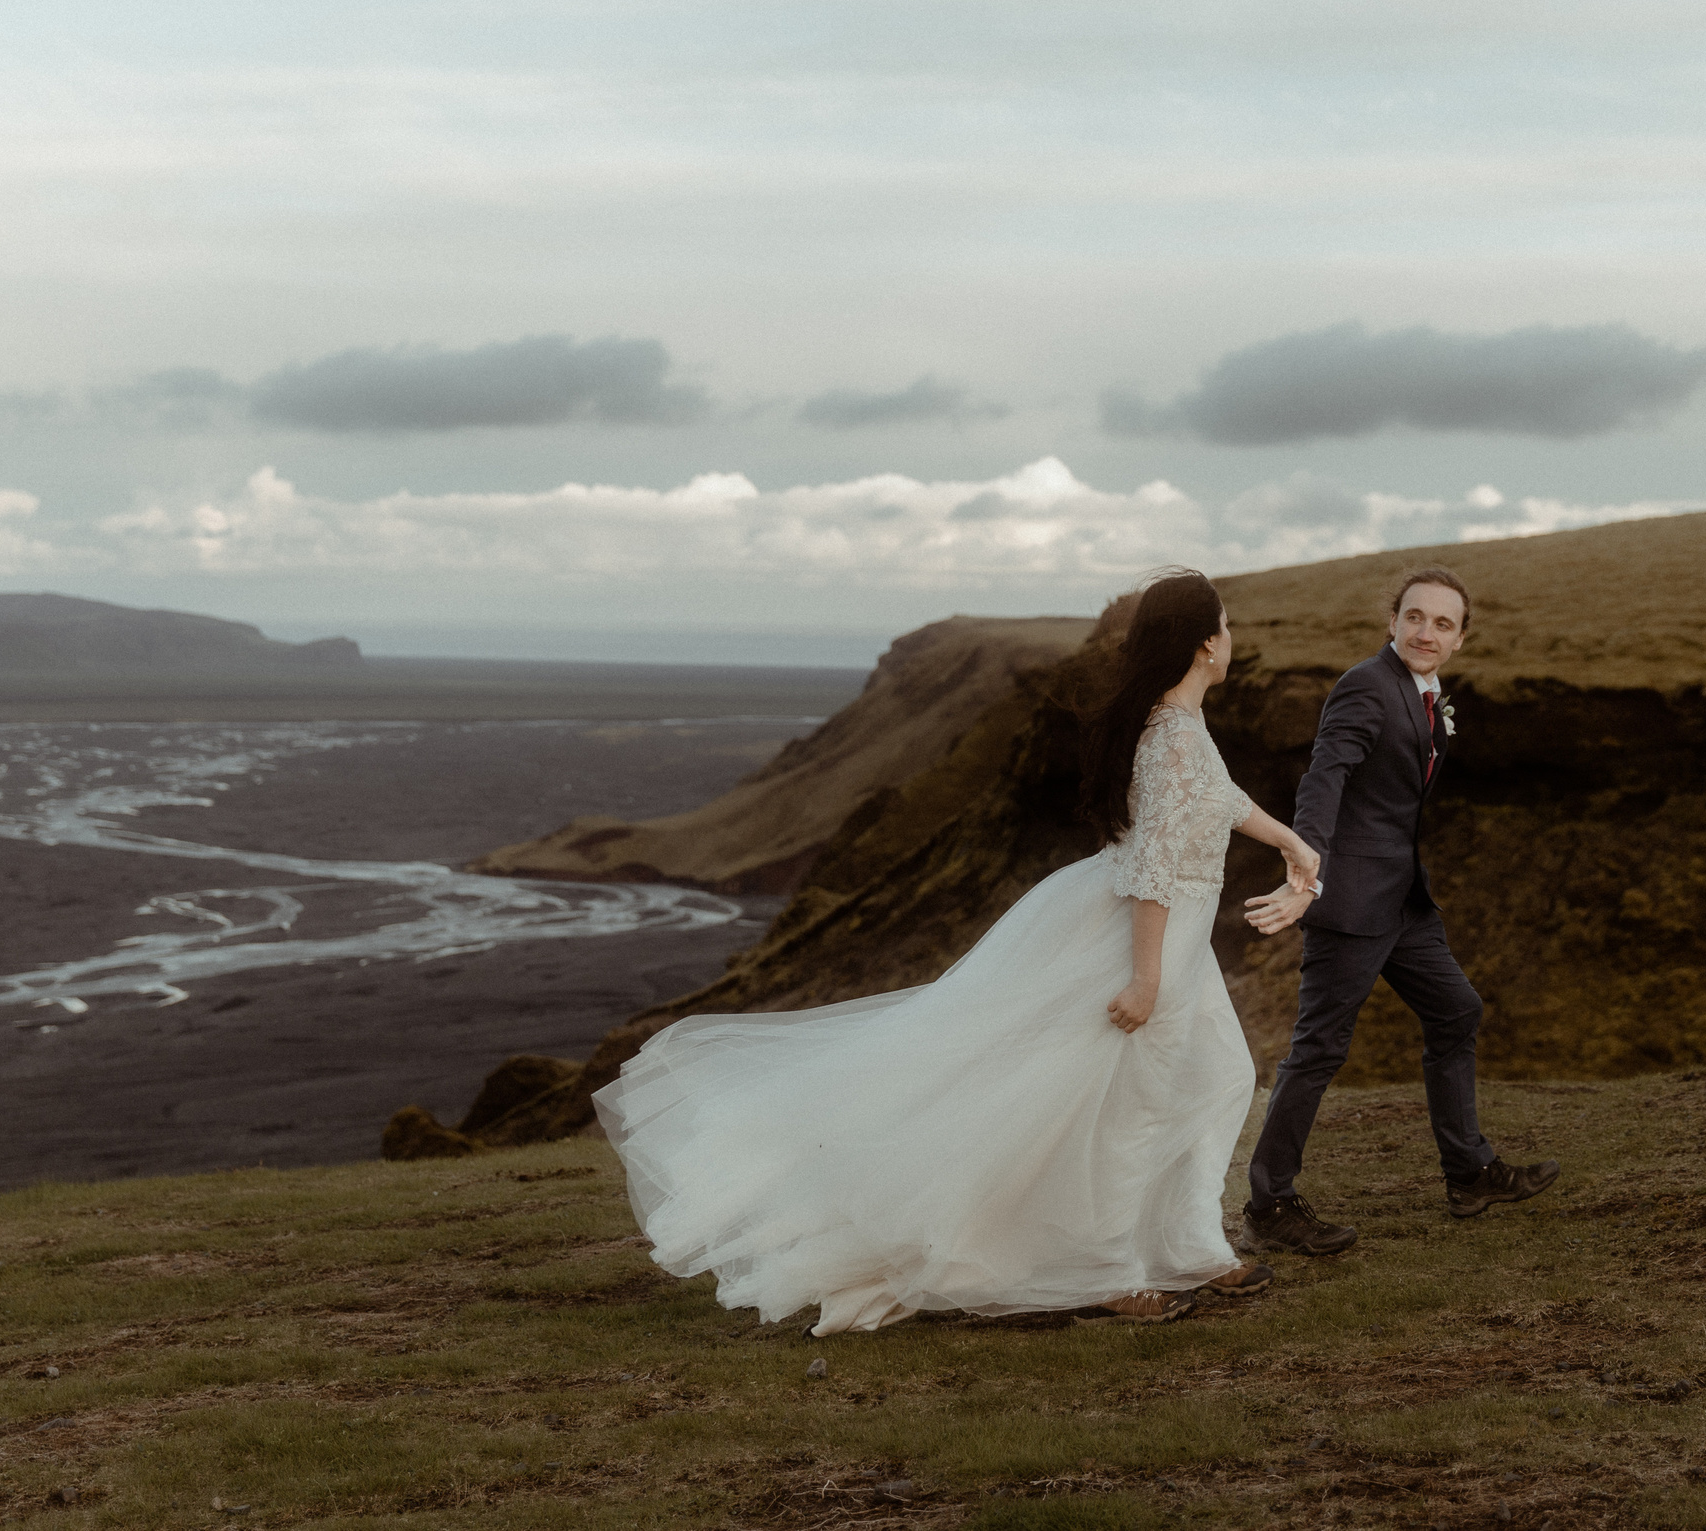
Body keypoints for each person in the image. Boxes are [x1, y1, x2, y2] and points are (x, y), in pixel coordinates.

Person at [594, 568, 1319, 1333]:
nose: (1234, 637)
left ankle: (1191, 1245)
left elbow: (1221, 799)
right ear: (1207, 641)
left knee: (1217, 1075)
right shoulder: (1170, 738)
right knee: (1132, 1113)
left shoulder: (1181, 726)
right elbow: (1154, 868)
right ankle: (1111, 1273)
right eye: (1228, 625)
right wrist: (1144, 976)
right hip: (1151, 944)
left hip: (1179, 943)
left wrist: (1290, 841)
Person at [1237, 566, 1559, 1255]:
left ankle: (1470, 1172)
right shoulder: (1365, 685)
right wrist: (1305, 866)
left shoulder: (1429, 694)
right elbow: (1325, 775)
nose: (1426, 632)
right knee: (1318, 1048)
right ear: (1392, 622)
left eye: (1443, 623)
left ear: (1460, 640)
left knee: (1457, 1011)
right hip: (1350, 900)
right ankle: (1269, 1203)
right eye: (1415, 617)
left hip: (1405, 900)